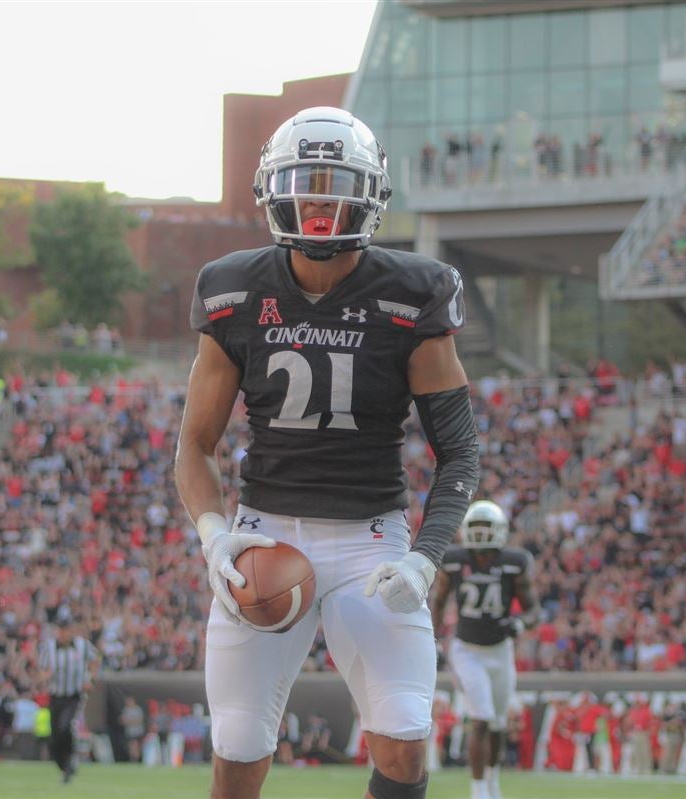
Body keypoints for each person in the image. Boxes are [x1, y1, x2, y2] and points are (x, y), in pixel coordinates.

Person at [175, 106, 478, 799]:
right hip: (264, 532)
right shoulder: (232, 288)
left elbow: (458, 452)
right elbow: (194, 445)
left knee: (403, 741)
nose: (317, 197)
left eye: (334, 180)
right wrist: (214, 533)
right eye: (303, 180)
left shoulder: (413, 290)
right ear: (273, 188)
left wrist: (425, 556)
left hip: (371, 540)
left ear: (369, 192)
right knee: (239, 748)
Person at [429, 500, 538, 799]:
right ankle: (478, 791)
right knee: (481, 717)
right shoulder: (455, 560)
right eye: (475, 528)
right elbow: (439, 601)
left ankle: (491, 781)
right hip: (467, 649)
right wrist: (433, 637)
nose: (480, 534)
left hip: (500, 651)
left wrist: (520, 624)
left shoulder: (513, 562)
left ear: (500, 531)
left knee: (499, 723)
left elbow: (533, 610)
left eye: (485, 528)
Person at [38, 617, 100, 784]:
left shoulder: (82, 645)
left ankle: (71, 759)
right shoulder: (49, 647)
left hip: (73, 695)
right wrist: (46, 677)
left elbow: (95, 661)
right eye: (61, 630)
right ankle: (64, 766)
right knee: (55, 734)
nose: (64, 634)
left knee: (66, 726)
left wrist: (91, 679)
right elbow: (42, 671)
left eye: (67, 630)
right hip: (56, 695)